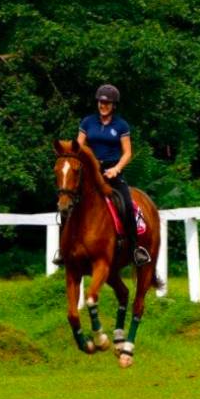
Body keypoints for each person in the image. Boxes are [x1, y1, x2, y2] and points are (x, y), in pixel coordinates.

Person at [54, 84, 151, 266]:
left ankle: (135, 249)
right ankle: (63, 249)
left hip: (113, 172)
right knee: (66, 203)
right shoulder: (87, 122)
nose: (103, 105)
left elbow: (128, 152)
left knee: (126, 204)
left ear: (114, 105)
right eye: (100, 102)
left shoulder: (121, 125)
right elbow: (78, 148)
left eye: (107, 103)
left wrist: (116, 168)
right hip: (91, 171)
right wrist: (87, 164)